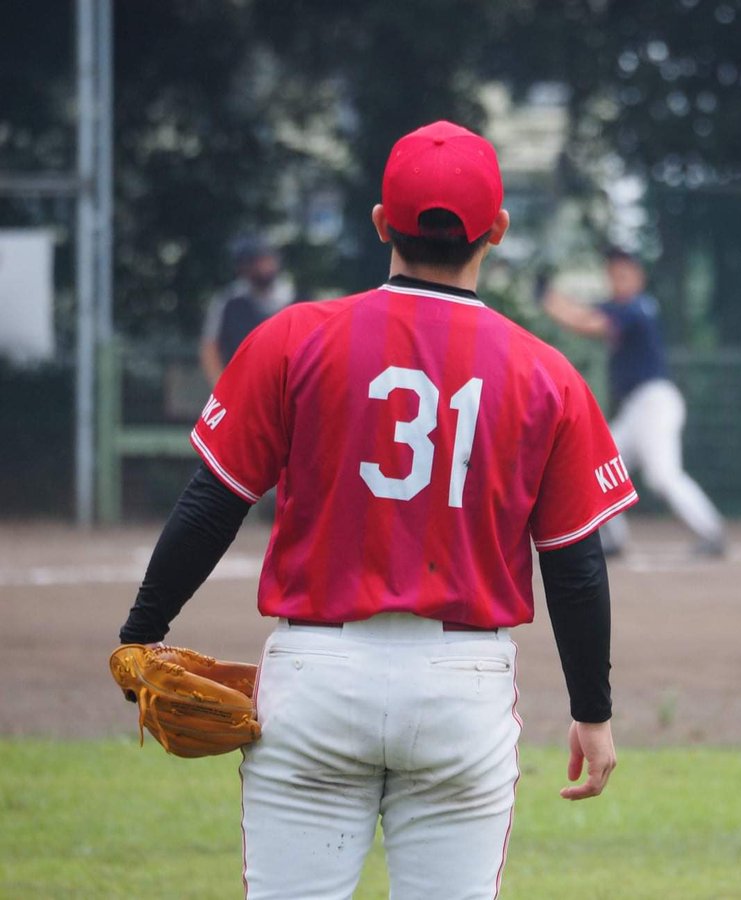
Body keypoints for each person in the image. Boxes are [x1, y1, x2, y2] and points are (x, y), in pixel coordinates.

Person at [116, 120, 636, 899]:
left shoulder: (292, 338)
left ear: (379, 223)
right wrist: (592, 712)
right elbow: (575, 566)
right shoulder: (547, 375)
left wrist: (141, 632)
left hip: (317, 680)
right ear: (496, 231)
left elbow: (212, 504)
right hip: (462, 686)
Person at [541, 249, 726, 557]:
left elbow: (586, 323)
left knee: (662, 476)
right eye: (613, 274)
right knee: (595, 468)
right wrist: (552, 297)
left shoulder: (637, 308)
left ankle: (712, 532)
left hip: (654, 402)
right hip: (637, 408)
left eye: (624, 274)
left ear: (639, 277)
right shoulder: (619, 308)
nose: (617, 280)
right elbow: (579, 312)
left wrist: (545, 297)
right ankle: (614, 539)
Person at [198, 234, 294, 385]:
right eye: (256, 261)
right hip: (242, 388)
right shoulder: (228, 302)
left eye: (267, 259)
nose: (263, 266)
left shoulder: (297, 299)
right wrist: (222, 386)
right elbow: (210, 347)